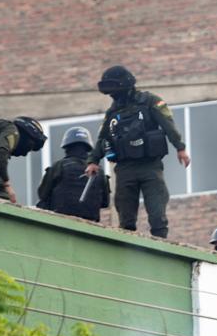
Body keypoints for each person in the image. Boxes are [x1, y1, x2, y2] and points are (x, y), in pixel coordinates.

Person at [84, 66, 189, 238]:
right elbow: (103, 138)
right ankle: (127, 252)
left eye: (115, 91)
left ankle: (161, 247)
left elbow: (167, 124)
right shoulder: (113, 112)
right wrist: (93, 161)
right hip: (125, 169)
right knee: (125, 220)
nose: (113, 95)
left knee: (157, 216)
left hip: (150, 167)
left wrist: (180, 147)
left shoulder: (149, 101)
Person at [36, 126, 110, 222]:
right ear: (88, 148)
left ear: (66, 147)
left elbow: (42, 194)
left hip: (61, 221)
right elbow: (105, 202)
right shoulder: (99, 171)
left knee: (42, 204)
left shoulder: (59, 166)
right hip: (90, 222)